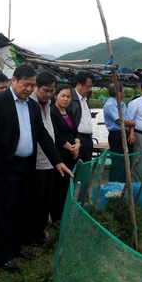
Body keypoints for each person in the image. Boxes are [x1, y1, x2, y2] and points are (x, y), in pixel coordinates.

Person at [0, 65, 72, 273]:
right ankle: (3, 256)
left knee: (22, 210)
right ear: (13, 80)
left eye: (32, 85)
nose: (29, 89)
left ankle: (16, 247)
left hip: (27, 166)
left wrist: (58, 161)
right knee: (5, 212)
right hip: (6, 166)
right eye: (26, 84)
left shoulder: (32, 106)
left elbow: (42, 135)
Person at [24, 71, 57, 245]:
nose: (48, 94)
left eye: (51, 91)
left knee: (45, 201)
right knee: (34, 202)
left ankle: (39, 233)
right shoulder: (30, 104)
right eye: (45, 90)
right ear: (35, 86)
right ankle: (30, 235)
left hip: (49, 161)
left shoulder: (48, 104)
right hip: (35, 162)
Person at [50, 84, 80, 224]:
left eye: (68, 96)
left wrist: (77, 144)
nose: (65, 99)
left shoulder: (70, 112)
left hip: (71, 154)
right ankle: (56, 217)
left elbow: (75, 132)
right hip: (59, 154)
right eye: (62, 96)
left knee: (67, 185)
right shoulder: (52, 112)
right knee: (58, 186)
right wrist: (71, 148)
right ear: (55, 95)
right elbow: (55, 135)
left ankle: (64, 214)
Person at [103, 83, 135, 182]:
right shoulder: (109, 105)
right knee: (118, 162)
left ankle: (125, 185)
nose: (124, 92)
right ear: (118, 92)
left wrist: (132, 131)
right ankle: (115, 186)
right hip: (116, 135)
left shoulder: (122, 104)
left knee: (127, 161)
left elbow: (130, 120)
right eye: (123, 90)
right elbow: (120, 121)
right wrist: (132, 123)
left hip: (126, 133)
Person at [68, 71, 95, 162]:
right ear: (79, 84)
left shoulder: (85, 99)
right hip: (77, 139)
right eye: (88, 86)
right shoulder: (70, 98)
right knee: (76, 168)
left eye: (91, 86)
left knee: (86, 168)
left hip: (88, 139)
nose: (90, 89)